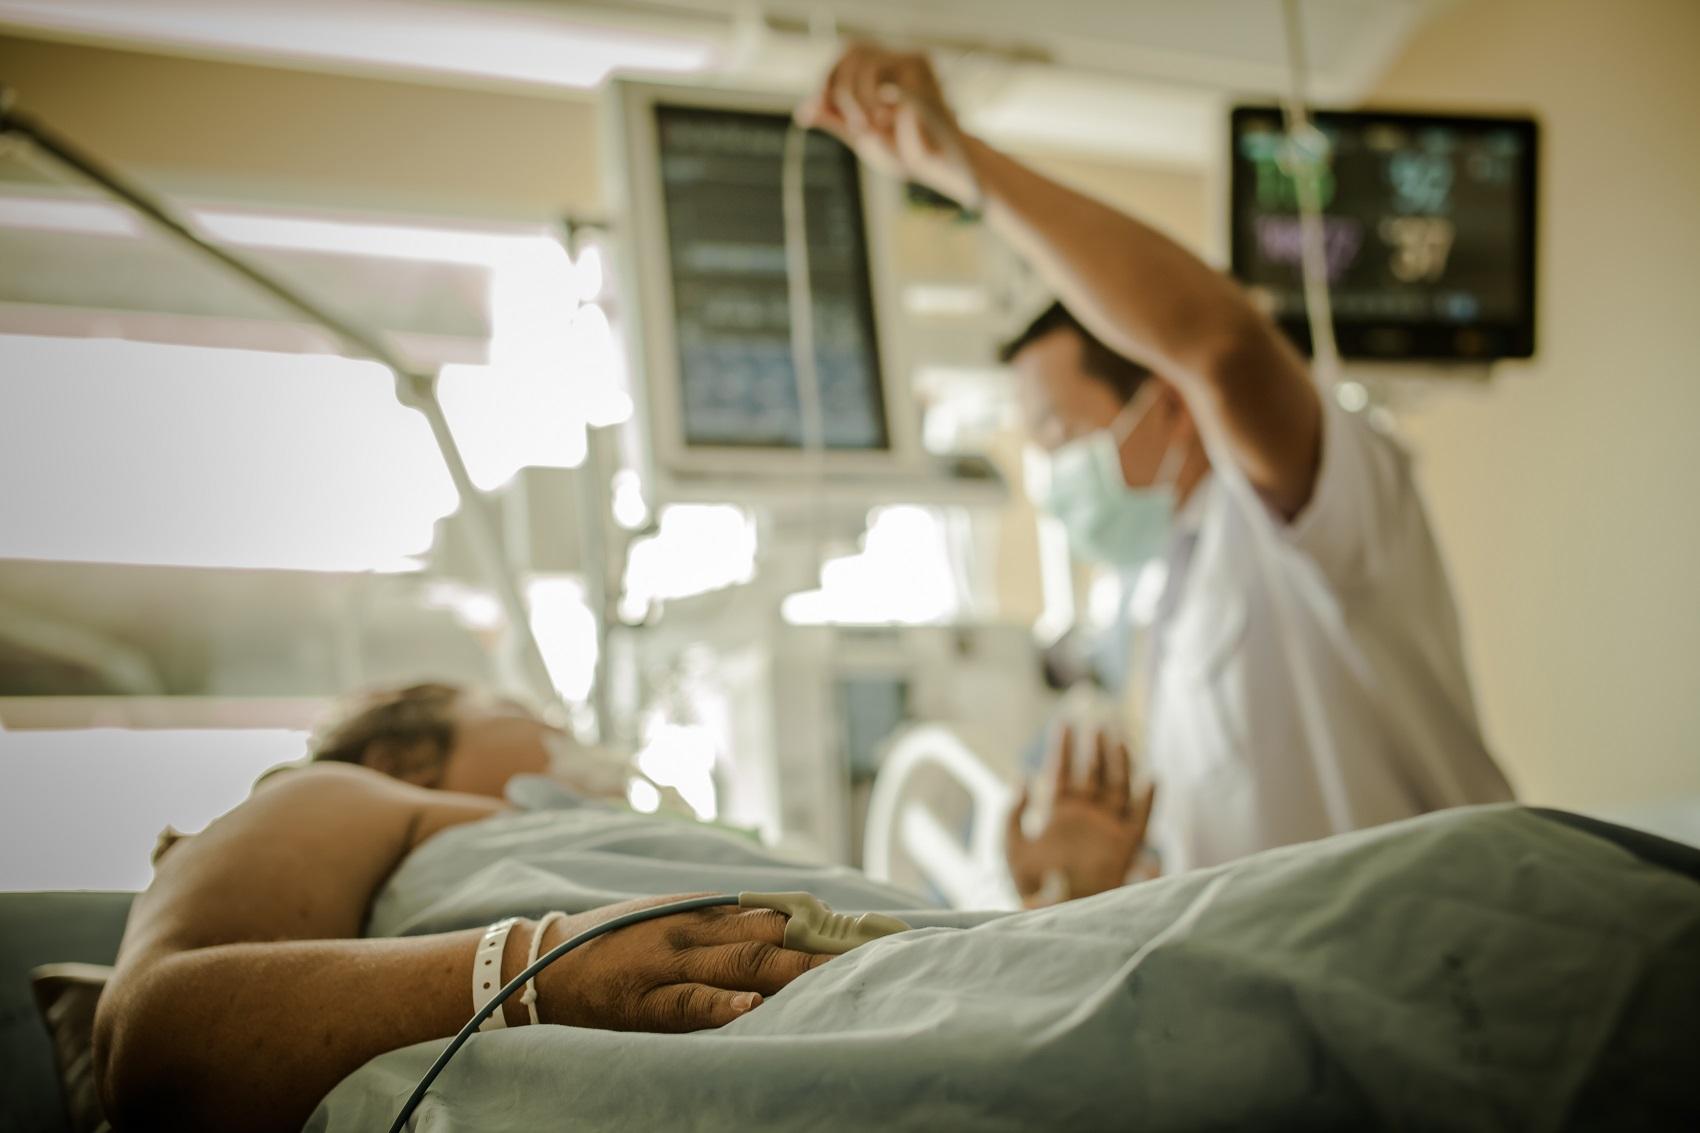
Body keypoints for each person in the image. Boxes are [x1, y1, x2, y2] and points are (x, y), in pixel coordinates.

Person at [797, 45, 1514, 888]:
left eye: (1061, 430)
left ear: (1171, 404)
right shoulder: (1174, 594)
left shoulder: (1317, 507)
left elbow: (1223, 344)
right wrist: (1089, 884)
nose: (1050, 471)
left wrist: (961, 165)